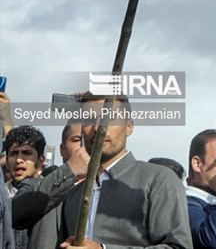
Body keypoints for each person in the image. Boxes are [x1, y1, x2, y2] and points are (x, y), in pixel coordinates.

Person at [57, 94, 192, 249]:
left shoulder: (158, 180)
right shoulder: (74, 195)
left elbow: (178, 247)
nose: (97, 127)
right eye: (89, 120)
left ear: (129, 126)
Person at [10, 122, 88, 249]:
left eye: (91, 140)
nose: (84, 147)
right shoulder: (34, 185)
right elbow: (14, 213)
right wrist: (70, 171)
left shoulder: (109, 189)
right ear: (62, 149)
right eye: (77, 140)